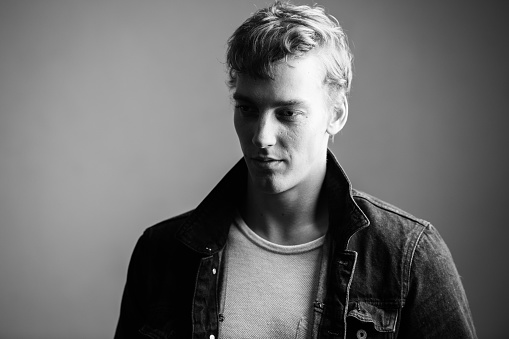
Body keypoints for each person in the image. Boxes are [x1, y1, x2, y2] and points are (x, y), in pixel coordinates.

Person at [114, 1, 477, 338]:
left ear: (336, 114)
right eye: (248, 109)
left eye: (288, 113)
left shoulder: (407, 256)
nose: (262, 137)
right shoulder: (161, 253)